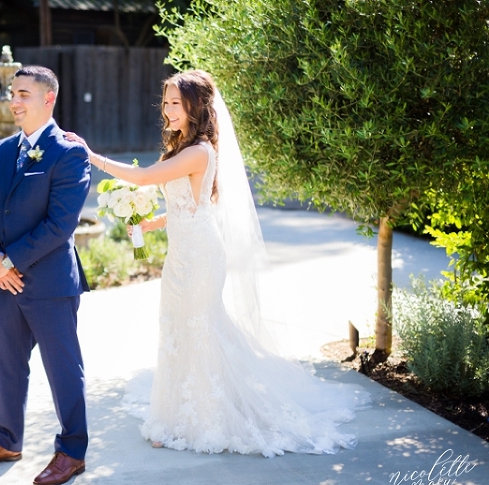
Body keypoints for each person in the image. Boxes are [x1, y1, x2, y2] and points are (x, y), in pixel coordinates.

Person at [64, 70, 370, 457]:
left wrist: (93, 157)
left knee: (200, 331)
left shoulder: (199, 150)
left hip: (201, 256)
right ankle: (175, 417)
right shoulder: (180, 146)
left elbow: (143, 178)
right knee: (177, 329)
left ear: (196, 106)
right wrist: (151, 221)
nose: (168, 109)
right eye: (166, 102)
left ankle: (207, 419)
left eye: (176, 102)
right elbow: (191, 204)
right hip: (181, 253)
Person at [0, 66, 91, 485]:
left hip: (50, 284)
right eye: (12, 93)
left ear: (48, 99)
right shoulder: (2, 152)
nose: (13, 101)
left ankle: (71, 452)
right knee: (8, 364)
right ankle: (7, 439)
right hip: (6, 282)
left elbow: (60, 225)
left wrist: (10, 261)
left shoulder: (69, 153)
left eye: (22, 95)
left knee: (63, 369)